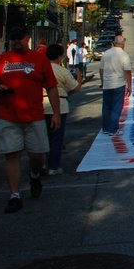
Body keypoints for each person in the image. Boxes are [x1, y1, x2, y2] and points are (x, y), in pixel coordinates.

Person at [0, 26, 60, 214]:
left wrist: (56, 113)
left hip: (34, 116)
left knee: (38, 156)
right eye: (13, 37)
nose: (16, 41)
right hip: (8, 116)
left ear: (27, 38)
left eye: (19, 37)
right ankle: (14, 195)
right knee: (12, 155)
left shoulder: (39, 60)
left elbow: (51, 87)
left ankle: (34, 175)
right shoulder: (1, 60)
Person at [43, 44, 82, 175]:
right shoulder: (62, 71)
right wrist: (79, 75)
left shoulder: (41, 69)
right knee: (56, 138)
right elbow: (76, 87)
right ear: (59, 57)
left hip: (41, 104)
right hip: (59, 105)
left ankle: (42, 164)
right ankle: (53, 166)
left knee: (42, 136)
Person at [99, 35, 132, 137]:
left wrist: (102, 81)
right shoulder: (124, 55)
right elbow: (127, 71)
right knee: (116, 107)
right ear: (122, 44)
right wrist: (129, 85)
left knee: (106, 107)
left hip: (107, 84)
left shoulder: (106, 53)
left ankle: (105, 128)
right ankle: (113, 129)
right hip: (118, 84)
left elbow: (101, 69)